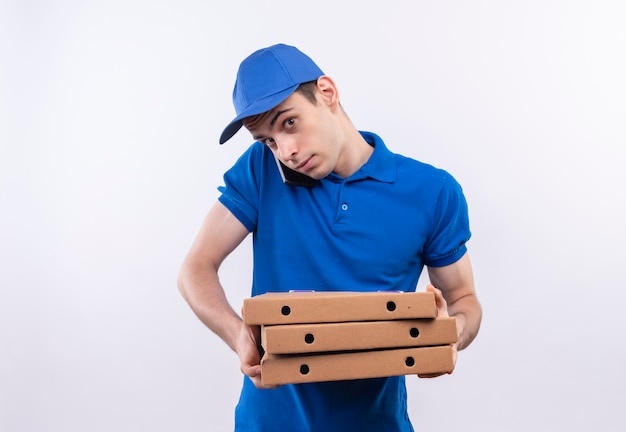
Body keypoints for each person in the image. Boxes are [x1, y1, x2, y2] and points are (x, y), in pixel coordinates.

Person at [178, 43, 482, 432]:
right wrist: (238, 334)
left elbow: (464, 300)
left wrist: (447, 335)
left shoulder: (432, 191)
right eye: (267, 140)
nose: (285, 150)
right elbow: (196, 267)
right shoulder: (261, 171)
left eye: (289, 122)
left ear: (327, 93)